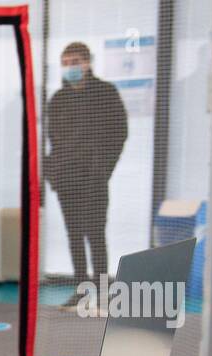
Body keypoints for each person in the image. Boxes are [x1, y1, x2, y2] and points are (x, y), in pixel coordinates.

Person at [44, 41, 128, 307]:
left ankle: (103, 290)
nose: (71, 67)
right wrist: (54, 172)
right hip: (66, 177)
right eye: (66, 63)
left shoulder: (105, 93)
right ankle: (81, 288)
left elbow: (119, 133)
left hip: (94, 176)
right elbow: (53, 139)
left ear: (88, 62)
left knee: (95, 230)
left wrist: (103, 168)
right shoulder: (58, 99)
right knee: (74, 233)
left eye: (76, 62)